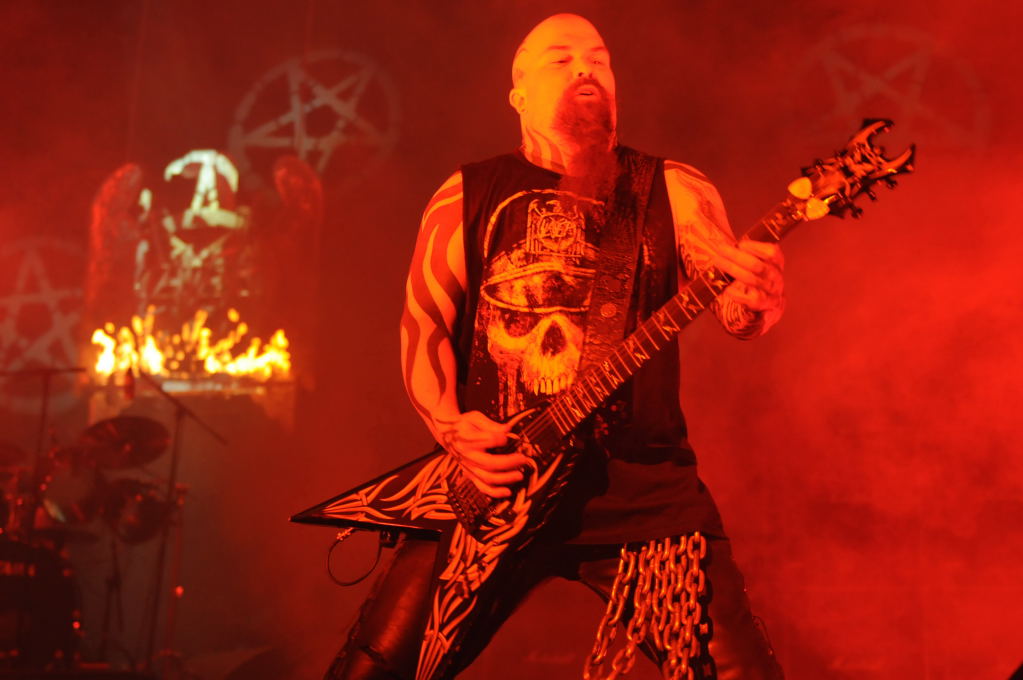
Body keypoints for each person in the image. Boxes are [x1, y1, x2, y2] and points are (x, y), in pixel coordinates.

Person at [327, 13, 785, 680]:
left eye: (599, 58)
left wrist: (760, 297)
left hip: (642, 496)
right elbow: (423, 326)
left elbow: (735, 315)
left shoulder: (675, 189)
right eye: (560, 58)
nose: (584, 67)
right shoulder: (466, 193)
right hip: (493, 484)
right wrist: (452, 430)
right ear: (517, 94)